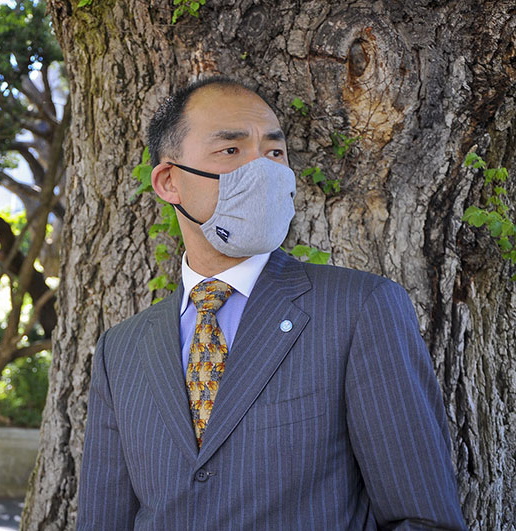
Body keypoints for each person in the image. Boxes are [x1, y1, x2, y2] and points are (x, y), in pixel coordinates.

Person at [77, 77, 467, 530]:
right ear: (169, 182)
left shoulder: (360, 309)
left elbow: (422, 519)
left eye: (275, 152)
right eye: (231, 151)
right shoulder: (119, 350)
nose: (263, 169)